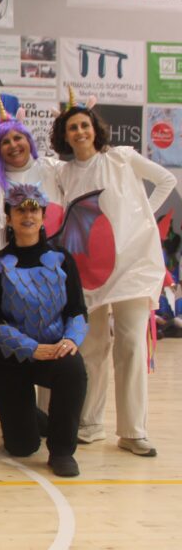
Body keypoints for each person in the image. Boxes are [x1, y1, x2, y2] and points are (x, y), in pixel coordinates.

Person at [51, 93, 176, 457]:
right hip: (87, 271)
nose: (80, 131)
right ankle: (90, 424)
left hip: (133, 267)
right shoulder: (62, 173)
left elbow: (166, 179)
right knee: (91, 347)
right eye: (72, 127)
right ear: (64, 135)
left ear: (95, 128)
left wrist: (144, 217)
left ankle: (133, 431)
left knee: (131, 345)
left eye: (84, 125)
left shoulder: (121, 157)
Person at [0, 183, 88, 477]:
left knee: (73, 368)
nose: (28, 215)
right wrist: (31, 348)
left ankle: (62, 450)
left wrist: (70, 340)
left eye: (34, 210)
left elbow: (77, 309)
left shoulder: (63, 258)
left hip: (54, 351)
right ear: (9, 218)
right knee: (22, 447)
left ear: (43, 216)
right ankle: (33, 418)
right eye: (20, 210)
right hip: (9, 359)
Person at [0, 96, 64, 259]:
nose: (13, 145)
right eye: (5, 142)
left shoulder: (55, 171)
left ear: (28, 140)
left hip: (55, 268)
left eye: (18, 138)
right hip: (5, 271)